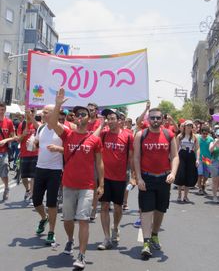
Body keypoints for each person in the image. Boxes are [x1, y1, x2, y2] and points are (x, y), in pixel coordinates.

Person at [50, 88, 104, 270]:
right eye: (77, 114)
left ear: (89, 118)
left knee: (83, 220)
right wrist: (58, 104)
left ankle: (81, 255)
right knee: (67, 220)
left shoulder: (94, 140)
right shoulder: (67, 134)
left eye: (84, 114)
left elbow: (99, 164)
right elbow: (51, 122)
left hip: (87, 187)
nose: (80, 116)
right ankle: (70, 240)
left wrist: (101, 184)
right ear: (74, 117)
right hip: (68, 185)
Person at [134, 108, 179, 259]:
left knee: (160, 210)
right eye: (152, 118)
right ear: (148, 119)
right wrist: (139, 178)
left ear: (162, 119)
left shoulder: (168, 134)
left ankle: (154, 235)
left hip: (164, 179)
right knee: (146, 210)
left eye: (158, 118)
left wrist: (173, 173)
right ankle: (146, 242)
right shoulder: (141, 135)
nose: (155, 120)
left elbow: (174, 156)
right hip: (147, 178)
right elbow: (136, 158)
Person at [97, 108, 134, 251]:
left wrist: (134, 177)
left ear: (120, 121)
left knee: (118, 207)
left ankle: (116, 227)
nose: (110, 121)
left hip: (120, 178)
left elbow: (131, 158)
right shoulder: (103, 134)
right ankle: (106, 238)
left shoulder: (128, 136)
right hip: (104, 177)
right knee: (104, 206)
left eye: (113, 118)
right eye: (108, 118)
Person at [32, 105, 64, 245]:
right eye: (42, 112)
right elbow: (38, 143)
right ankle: (44, 217)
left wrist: (59, 148)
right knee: (36, 201)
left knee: (51, 202)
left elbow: (70, 149)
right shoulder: (40, 128)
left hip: (55, 170)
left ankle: (51, 231)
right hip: (40, 168)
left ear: (53, 114)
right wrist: (34, 143)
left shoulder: (62, 130)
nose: (43, 115)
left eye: (45, 112)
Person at [17, 109, 39, 203]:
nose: (29, 114)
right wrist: (23, 135)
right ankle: (28, 189)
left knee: (34, 176)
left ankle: (33, 195)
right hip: (24, 154)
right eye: (28, 112)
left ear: (34, 113)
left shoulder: (37, 125)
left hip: (36, 154)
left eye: (31, 112)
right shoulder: (22, 125)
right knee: (24, 176)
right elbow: (18, 140)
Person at [175, 120, 199, 203]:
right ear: (184, 127)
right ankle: (179, 195)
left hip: (190, 156)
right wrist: (175, 158)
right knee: (181, 175)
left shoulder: (194, 137)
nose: (189, 127)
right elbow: (176, 148)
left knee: (189, 176)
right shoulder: (179, 136)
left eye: (190, 126)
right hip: (181, 156)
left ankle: (185, 196)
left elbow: (197, 149)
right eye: (188, 125)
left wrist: (197, 159)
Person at [0, 102, 16, 201]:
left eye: (2, 110)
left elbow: (14, 137)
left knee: (4, 173)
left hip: (4, 152)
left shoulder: (9, 122)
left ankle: (6, 187)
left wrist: (5, 140)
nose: (1, 111)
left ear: (5, 110)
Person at [197, 126, 213, 195]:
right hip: (200, 158)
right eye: (203, 133)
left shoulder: (211, 139)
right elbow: (196, 148)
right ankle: (200, 188)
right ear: (201, 133)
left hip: (208, 159)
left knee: (206, 175)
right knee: (200, 174)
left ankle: (203, 186)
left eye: (206, 133)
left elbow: (212, 149)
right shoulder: (198, 139)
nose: (205, 135)